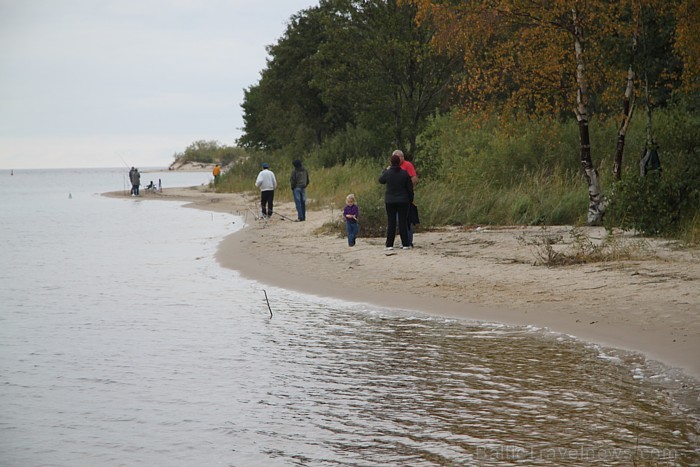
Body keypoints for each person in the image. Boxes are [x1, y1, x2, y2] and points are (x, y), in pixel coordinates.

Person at [379, 154, 413, 250]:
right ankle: (405, 243)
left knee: (391, 222)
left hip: (390, 200)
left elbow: (381, 180)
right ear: (399, 162)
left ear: (391, 162)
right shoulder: (404, 173)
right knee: (403, 221)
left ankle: (389, 244)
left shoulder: (388, 173)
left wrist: (386, 170)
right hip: (403, 200)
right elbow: (409, 188)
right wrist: (411, 199)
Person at [393, 149, 418, 247]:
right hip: (395, 197)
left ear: (402, 157)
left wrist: (407, 187)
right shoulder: (393, 167)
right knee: (398, 220)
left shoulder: (407, 165)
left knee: (407, 219)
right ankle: (403, 240)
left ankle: (408, 241)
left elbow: (414, 179)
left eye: (398, 157)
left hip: (405, 196)